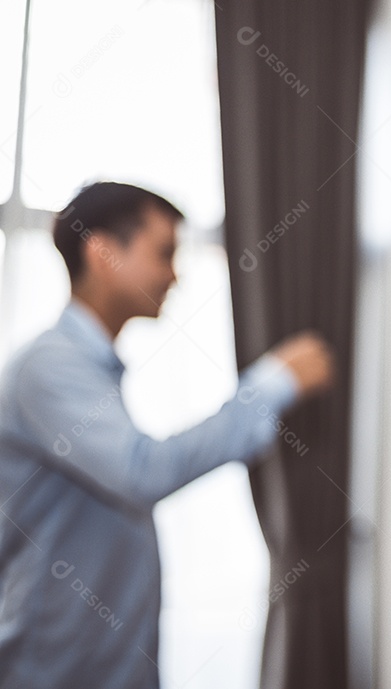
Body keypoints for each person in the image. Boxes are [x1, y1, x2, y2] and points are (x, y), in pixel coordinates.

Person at [0, 182, 333, 688]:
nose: (174, 274)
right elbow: (142, 471)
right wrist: (271, 384)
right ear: (104, 251)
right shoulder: (48, 367)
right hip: (56, 667)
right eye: (165, 253)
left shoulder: (87, 368)